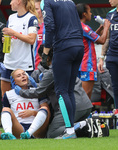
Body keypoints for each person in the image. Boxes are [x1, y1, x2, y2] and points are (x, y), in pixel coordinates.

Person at [14, 45, 94, 138]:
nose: (41, 62)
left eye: (41, 58)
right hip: (86, 105)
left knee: (52, 133)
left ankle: (82, 125)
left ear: (47, 58)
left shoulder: (52, 71)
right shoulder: (65, 65)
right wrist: (37, 85)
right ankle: (88, 126)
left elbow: (39, 92)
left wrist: (21, 92)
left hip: (73, 107)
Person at [40, 0, 84, 139]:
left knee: (61, 91)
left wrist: (45, 52)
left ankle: (69, 131)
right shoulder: (70, 2)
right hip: (78, 45)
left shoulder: (46, 2)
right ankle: (70, 128)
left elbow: (50, 26)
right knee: (69, 90)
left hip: (64, 47)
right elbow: (79, 25)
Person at [0, 0, 39, 96]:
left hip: (24, 64)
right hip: (8, 62)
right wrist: (5, 39)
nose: (10, 3)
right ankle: (6, 111)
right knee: (5, 95)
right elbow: (10, 36)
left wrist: (13, 33)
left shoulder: (31, 18)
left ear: (19, 1)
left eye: (12, 0)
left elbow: (31, 39)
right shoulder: (11, 17)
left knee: (26, 95)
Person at [1, 69, 50, 140]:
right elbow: (6, 115)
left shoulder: (36, 91)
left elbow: (47, 111)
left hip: (37, 128)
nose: (23, 76)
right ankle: (8, 134)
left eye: (24, 74)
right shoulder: (8, 94)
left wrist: (33, 113)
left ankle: (29, 133)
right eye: (19, 76)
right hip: (19, 127)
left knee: (45, 108)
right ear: (13, 81)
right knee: (5, 109)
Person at [98, 0, 118, 110]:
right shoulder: (109, 14)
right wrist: (102, 58)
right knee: (116, 87)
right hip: (112, 56)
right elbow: (107, 37)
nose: (109, 0)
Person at [76, 3, 111, 100]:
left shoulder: (78, 26)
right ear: (84, 14)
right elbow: (102, 41)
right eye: (89, 11)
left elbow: (91, 38)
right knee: (86, 96)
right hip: (87, 65)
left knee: (82, 95)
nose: (91, 14)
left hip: (80, 64)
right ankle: (85, 115)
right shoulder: (85, 28)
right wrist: (107, 27)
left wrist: (100, 28)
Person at [34, 0, 45, 70]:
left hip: (47, 64)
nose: (34, 11)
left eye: (37, 9)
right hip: (34, 64)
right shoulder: (32, 26)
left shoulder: (51, 26)